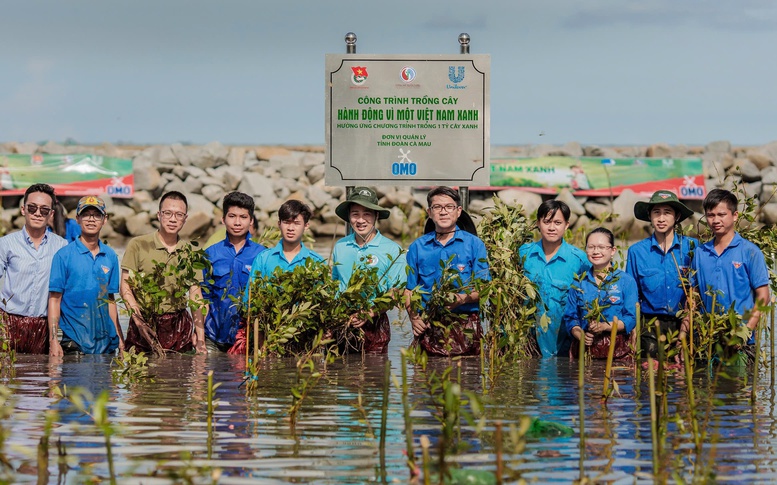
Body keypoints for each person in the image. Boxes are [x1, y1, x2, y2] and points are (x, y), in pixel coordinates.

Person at [685, 188, 770, 362]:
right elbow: (693, 296)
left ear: (735, 215)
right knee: (706, 387)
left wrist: (744, 332)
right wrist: (685, 334)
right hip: (707, 340)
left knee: (741, 387)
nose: (716, 220)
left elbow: (763, 297)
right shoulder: (700, 253)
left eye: (722, 214)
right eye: (710, 215)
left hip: (743, 341)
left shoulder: (750, 252)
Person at [404, 186, 490, 357]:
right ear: (429, 212)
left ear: (458, 211)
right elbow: (409, 290)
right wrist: (414, 318)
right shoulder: (417, 247)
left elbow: (485, 288)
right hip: (429, 323)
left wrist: (460, 299)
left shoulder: (474, 244)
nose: (443, 212)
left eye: (449, 207)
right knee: (425, 379)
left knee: (467, 379)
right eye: (437, 207)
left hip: (465, 324)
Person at [230, 199, 324, 355]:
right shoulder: (264, 259)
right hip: (268, 339)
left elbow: (321, 308)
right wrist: (261, 346)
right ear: (279, 224)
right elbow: (251, 305)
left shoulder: (316, 262)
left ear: (306, 226)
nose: (291, 228)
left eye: (296, 223)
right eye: (286, 222)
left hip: (304, 341)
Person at [120, 191, 207, 354]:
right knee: (140, 374)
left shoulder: (191, 252)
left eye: (178, 214)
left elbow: (196, 296)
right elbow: (125, 287)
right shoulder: (138, 245)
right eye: (168, 213)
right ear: (159, 215)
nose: (173, 219)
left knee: (179, 375)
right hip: (144, 320)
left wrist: (200, 339)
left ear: (185, 218)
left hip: (179, 325)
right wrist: (139, 321)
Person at [332, 187, 406, 353]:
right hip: (343, 320)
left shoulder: (393, 250)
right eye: (355, 214)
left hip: (375, 321)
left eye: (367, 214)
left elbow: (397, 291)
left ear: (376, 216)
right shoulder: (340, 246)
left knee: (374, 374)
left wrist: (369, 312)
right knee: (339, 373)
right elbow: (335, 285)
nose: (360, 220)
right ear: (349, 217)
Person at [48, 196, 123, 356]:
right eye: (86, 214)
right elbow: (54, 299)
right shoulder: (63, 256)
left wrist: (121, 339)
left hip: (106, 343)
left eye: (96, 215)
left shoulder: (110, 256)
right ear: (77, 219)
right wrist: (53, 341)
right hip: (74, 344)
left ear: (105, 220)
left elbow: (110, 299)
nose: (91, 219)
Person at [627, 190, 698, 357]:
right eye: (656, 213)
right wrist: (634, 329)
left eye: (667, 213)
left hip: (684, 322)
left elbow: (696, 292)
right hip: (650, 325)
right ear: (650, 216)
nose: (661, 218)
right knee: (648, 376)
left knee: (684, 375)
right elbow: (632, 296)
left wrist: (685, 328)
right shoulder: (636, 251)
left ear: (677, 216)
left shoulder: (693, 247)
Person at [0, 184, 68, 354]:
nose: (38, 213)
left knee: (40, 377)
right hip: (9, 323)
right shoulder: (6, 244)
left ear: (51, 214)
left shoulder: (62, 246)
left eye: (44, 210)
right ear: (23, 210)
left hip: (43, 326)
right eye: (32, 208)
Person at [519, 200, 590, 357]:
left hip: (564, 346)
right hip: (527, 345)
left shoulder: (579, 260)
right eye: (546, 222)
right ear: (538, 223)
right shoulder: (523, 253)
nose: (552, 228)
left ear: (566, 225)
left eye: (558, 222)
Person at [202, 192, 266, 352]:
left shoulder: (263, 255)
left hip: (247, 339)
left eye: (243, 217)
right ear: (223, 219)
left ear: (251, 221)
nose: (237, 222)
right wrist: (199, 335)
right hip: (213, 338)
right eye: (232, 216)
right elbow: (203, 298)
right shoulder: (210, 254)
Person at [565, 227, 637, 360]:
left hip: (617, 351)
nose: (596, 251)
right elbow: (570, 317)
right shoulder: (579, 282)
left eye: (601, 247)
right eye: (591, 247)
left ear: (613, 250)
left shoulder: (626, 281)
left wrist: (604, 326)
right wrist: (580, 334)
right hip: (584, 349)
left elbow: (631, 319)